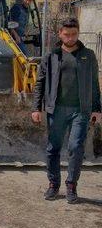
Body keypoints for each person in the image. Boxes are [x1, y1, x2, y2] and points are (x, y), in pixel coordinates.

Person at [32, 18, 101, 204]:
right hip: (56, 109)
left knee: (76, 147)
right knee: (53, 148)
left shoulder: (88, 55)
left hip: (81, 110)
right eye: (67, 34)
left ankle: (71, 186)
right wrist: (36, 108)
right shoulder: (52, 56)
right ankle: (53, 185)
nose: (70, 38)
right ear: (60, 34)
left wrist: (97, 108)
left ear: (78, 33)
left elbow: (94, 83)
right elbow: (40, 82)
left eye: (74, 34)